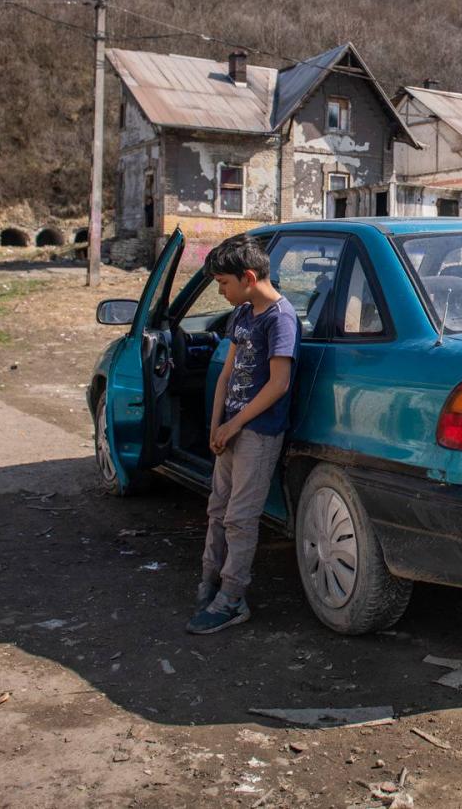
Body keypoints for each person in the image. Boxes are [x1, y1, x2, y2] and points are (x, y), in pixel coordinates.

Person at [188, 236, 300, 635]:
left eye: (223, 283)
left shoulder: (280, 318)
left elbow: (278, 384)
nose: (220, 291)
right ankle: (209, 582)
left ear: (248, 277)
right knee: (217, 510)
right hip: (232, 430)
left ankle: (232, 598)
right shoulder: (243, 314)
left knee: (240, 518)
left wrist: (234, 425)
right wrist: (217, 424)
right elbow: (227, 373)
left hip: (259, 433)